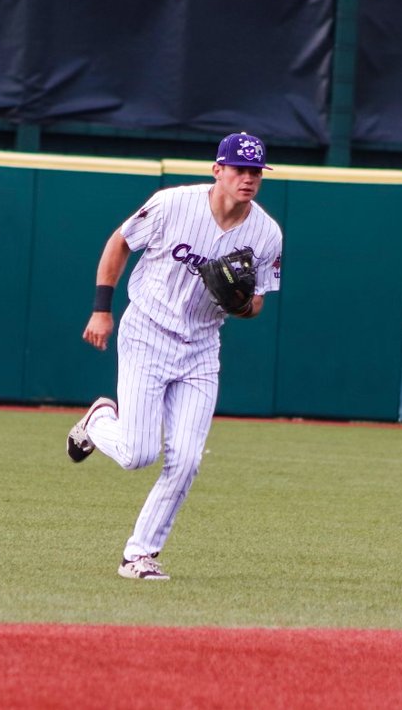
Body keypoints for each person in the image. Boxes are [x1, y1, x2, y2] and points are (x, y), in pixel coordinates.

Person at [67, 132, 284, 581]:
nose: (248, 179)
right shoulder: (173, 204)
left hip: (202, 347)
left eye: (256, 172)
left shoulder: (266, 233)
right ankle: (97, 422)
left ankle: (139, 555)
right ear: (217, 170)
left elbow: (257, 304)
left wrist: (239, 300)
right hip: (148, 330)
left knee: (186, 459)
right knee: (137, 454)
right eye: (240, 169)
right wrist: (101, 311)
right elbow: (119, 242)